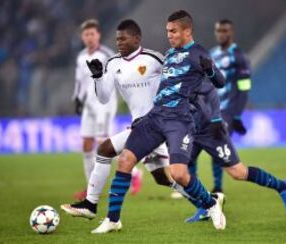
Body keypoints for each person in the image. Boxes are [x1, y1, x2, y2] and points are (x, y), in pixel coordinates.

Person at [89, 10, 227, 233]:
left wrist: (210, 70)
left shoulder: (199, 53)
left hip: (178, 121)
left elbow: (219, 82)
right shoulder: (170, 54)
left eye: (173, 31)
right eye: (167, 31)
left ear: (187, 31)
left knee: (179, 174)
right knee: (124, 161)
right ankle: (112, 220)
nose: (169, 35)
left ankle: (211, 204)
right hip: (155, 117)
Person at [61, 19, 192, 223]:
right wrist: (97, 77)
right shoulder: (113, 63)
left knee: (105, 149)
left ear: (137, 38)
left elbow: (177, 80)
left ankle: (92, 205)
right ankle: (208, 201)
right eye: (117, 39)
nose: (119, 42)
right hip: (140, 126)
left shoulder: (153, 58)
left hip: (158, 125)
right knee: (162, 178)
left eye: (123, 38)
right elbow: (104, 97)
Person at [184, 82, 286, 223]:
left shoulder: (188, 69)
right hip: (188, 129)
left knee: (238, 172)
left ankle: (283, 187)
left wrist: (218, 118)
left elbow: (211, 88)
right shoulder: (163, 74)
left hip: (208, 128)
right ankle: (205, 207)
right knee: (182, 169)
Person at [188, 19, 252, 194]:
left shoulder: (239, 56)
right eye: (218, 31)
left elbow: (244, 88)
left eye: (224, 31)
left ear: (231, 32)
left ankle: (217, 187)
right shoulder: (212, 53)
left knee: (218, 150)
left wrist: (237, 116)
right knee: (190, 148)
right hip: (206, 109)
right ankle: (191, 186)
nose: (220, 34)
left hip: (228, 111)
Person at [72, 19, 117, 200]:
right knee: (86, 145)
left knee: (103, 145)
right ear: (82, 37)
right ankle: (90, 187)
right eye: (86, 34)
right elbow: (80, 81)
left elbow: (114, 78)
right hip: (89, 106)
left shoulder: (107, 54)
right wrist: (77, 98)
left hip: (104, 106)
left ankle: (133, 171)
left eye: (92, 34)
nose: (89, 37)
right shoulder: (81, 56)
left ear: (98, 35)